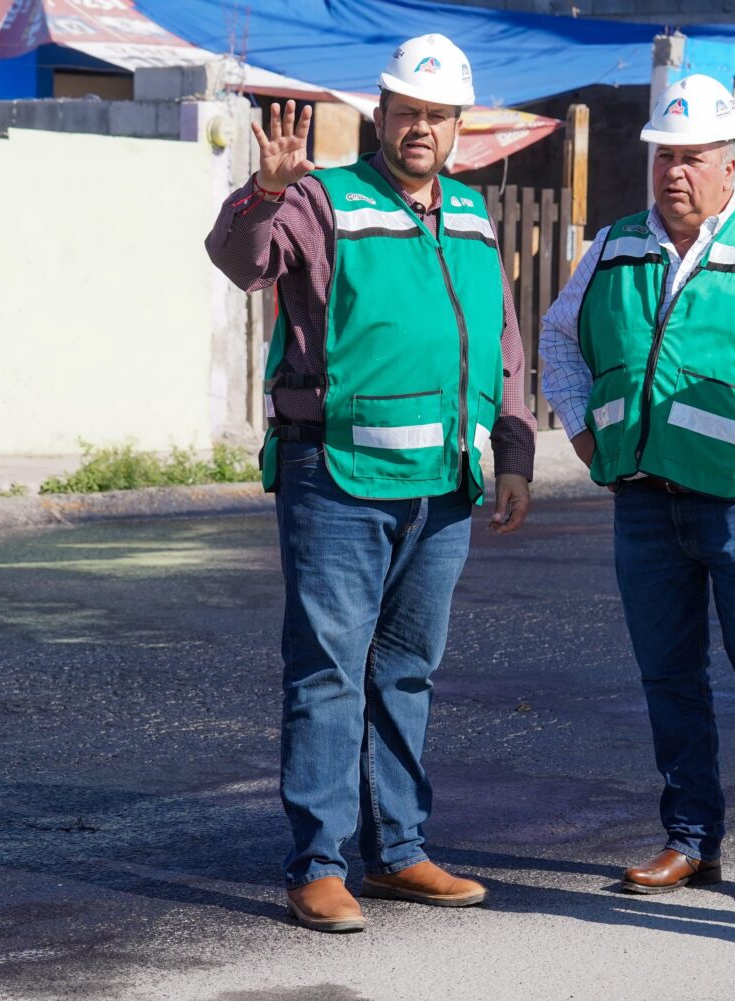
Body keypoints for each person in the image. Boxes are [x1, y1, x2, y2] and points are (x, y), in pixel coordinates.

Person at [205, 33, 536, 933]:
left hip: (444, 485)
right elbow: (243, 262)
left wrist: (511, 453)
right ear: (380, 116)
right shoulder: (322, 198)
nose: (420, 128)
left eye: (436, 116)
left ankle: (398, 852)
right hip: (339, 478)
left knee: (408, 671)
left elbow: (500, 343)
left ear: (458, 126)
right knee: (327, 670)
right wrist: (266, 190)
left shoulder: (468, 212)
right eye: (406, 112)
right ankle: (318, 861)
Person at [539, 73, 735, 911]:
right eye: (665, 157)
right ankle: (691, 841)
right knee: (669, 677)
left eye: (692, 157)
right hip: (643, 499)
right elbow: (560, 339)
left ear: (729, 162)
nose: (674, 173)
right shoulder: (613, 246)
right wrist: (584, 431)